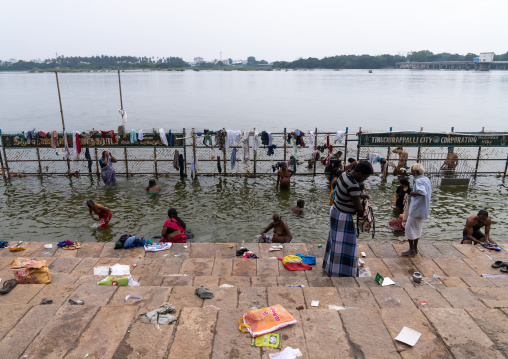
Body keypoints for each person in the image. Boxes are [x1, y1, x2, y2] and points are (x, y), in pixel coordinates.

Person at [323, 161, 374, 277]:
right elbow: (358, 209)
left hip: (335, 211)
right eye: (365, 177)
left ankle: (330, 267)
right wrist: (365, 210)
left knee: (335, 242)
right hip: (344, 217)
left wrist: (360, 195)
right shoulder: (354, 185)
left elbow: (347, 192)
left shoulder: (344, 174)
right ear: (360, 173)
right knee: (346, 246)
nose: (365, 180)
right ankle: (342, 272)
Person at [402, 163, 432, 256]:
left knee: (408, 227)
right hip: (424, 208)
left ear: (416, 172)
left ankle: (411, 250)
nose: (411, 172)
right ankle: (415, 249)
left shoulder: (418, 181)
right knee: (417, 228)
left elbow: (422, 192)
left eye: (412, 171)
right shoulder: (426, 179)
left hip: (416, 208)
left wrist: (413, 193)